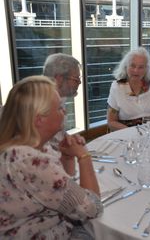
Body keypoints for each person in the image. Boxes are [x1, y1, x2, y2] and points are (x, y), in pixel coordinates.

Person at [0, 76, 102, 239]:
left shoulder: (32, 145)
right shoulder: (31, 161)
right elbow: (92, 208)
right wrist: (84, 156)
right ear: (39, 119)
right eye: (60, 107)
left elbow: (61, 188)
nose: (65, 111)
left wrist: (67, 156)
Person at [107, 47, 150, 131]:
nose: (136, 70)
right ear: (126, 66)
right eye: (132, 66)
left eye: (141, 67)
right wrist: (133, 132)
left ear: (146, 69)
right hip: (127, 134)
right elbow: (111, 122)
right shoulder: (116, 87)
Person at [43, 53, 82, 149]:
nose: (79, 83)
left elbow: (56, 136)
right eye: (76, 79)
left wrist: (68, 137)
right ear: (59, 79)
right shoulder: (42, 103)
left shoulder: (59, 97)